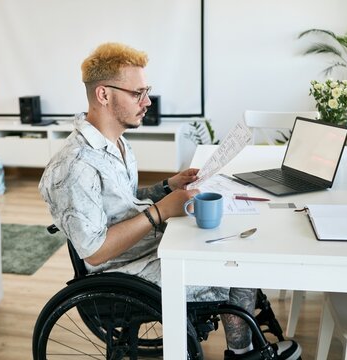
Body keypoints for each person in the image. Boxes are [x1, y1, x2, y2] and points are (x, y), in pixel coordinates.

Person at [39, 42, 301, 359]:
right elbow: (95, 253)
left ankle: (245, 346)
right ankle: (243, 354)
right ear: (104, 95)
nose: (147, 101)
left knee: (235, 249)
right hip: (120, 271)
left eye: (146, 91)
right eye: (137, 93)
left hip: (144, 246)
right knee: (233, 270)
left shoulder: (115, 142)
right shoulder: (76, 165)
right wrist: (162, 209)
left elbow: (120, 202)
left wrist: (167, 186)